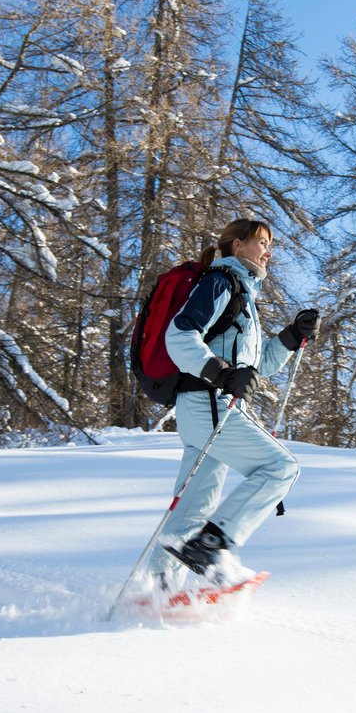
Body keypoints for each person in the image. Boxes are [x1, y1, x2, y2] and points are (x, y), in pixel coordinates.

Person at [147, 219, 319, 590]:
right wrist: (220, 374)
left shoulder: (243, 297)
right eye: (261, 242)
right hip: (206, 402)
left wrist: (291, 336)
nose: (268, 251)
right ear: (237, 246)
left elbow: (257, 369)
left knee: (195, 507)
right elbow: (179, 335)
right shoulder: (221, 282)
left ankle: (154, 589)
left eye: (270, 244)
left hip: (205, 408)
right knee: (281, 468)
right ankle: (211, 547)